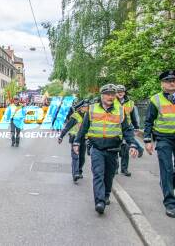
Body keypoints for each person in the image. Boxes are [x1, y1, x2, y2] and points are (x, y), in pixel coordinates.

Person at [73, 84, 139, 214]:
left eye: (112, 94)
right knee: (98, 173)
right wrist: (76, 142)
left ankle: (106, 194)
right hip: (96, 147)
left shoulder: (120, 110)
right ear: (102, 95)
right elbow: (83, 128)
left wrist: (132, 144)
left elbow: (127, 130)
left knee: (109, 175)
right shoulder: (92, 109)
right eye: (107, 94)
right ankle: (99, 201)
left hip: (113, 148)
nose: (110, 96)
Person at [144, 70, 175, 218]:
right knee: (167, 168)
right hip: (164, 139)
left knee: (170, 174)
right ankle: (170, 203)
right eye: (168, 81)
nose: (172, 83)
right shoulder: (155, 100)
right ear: (162, 84)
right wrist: (148, 140)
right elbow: (148, 121)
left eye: (174, 80)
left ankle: (166, 183)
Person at [58, 99, 89, 182]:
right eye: (86, 106)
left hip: (83, 139)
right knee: (75, 156)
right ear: (81, 108)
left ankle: (79, 171)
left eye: (87, 106)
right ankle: (75, 174)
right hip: (74, 139)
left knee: (82, 157)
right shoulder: (75, 116)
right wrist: (61, 136)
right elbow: (67, 127)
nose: (87, 108)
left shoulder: (88, 115)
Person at [115, 85, 143, 177]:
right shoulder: (112, 101)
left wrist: (136, 127)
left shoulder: (130, 102)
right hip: (115, 128)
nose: (120, 93)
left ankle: (124, 169)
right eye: (118, 91)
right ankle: (115, 168)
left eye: (122, 91)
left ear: (124, 92)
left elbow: (133, 116)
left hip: (127, 128)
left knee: (126, 149)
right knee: (114, 148)